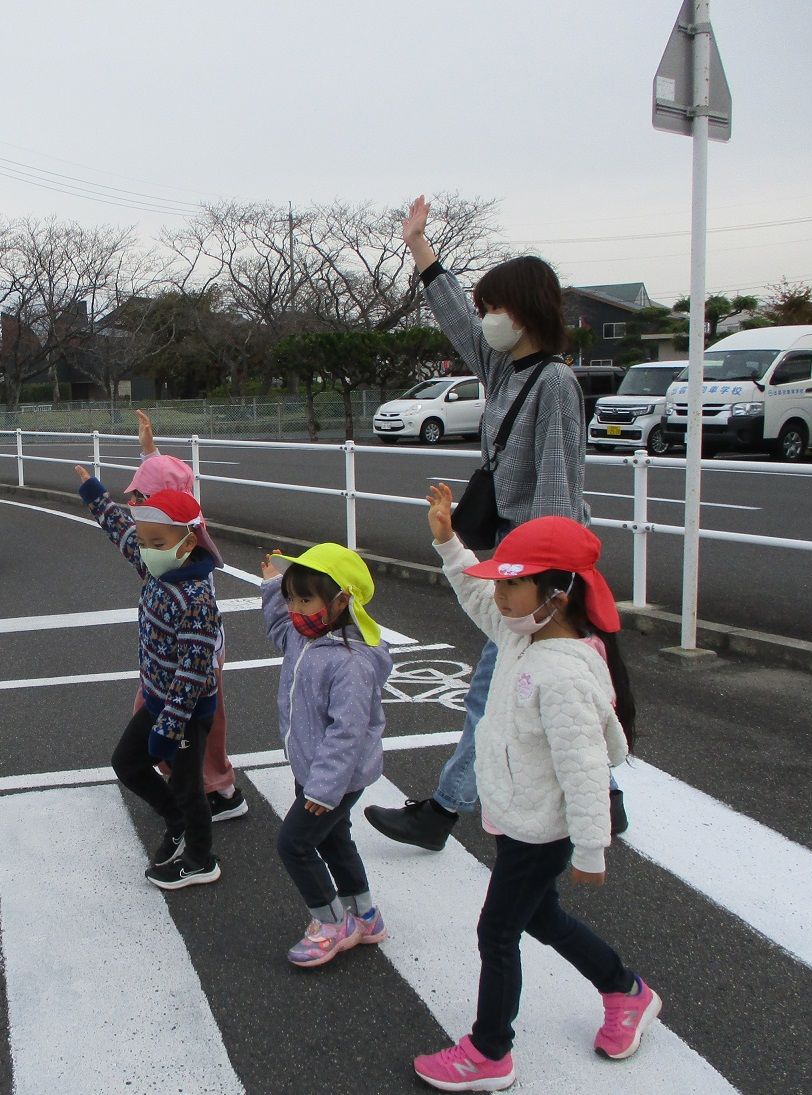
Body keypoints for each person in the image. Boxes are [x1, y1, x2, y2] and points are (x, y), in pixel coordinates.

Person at [365, 193, 628, 853]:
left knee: (491, 696)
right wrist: (419, 246)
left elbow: (561, 495)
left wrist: (542, 587)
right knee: (514, 692)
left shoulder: (556, 386)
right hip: (521, 565)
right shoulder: (504, 370)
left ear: (527, 312)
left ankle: (442, 813)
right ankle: (607, 797)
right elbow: (454, 317)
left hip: (539, 572)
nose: (483, 320)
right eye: (483, 309)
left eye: (494, 309)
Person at [411, 482, 658, 1091]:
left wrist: (591, 848)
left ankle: (489, 1051)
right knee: (539, 918)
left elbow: (584, 767)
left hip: (542, 827)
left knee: (497, 931)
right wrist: (449, 543)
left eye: (511, 583)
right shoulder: (523, 634)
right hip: (520, 815)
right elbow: (476, 595)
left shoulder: (565, 671)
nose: (498, 593)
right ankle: (625, 991)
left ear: (558, 593)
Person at [74, 466, 225, 890]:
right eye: (146, 543)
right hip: (160, 701)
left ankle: (200, 858)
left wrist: (170, 726)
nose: (146, 550)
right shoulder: (157, 568)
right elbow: (124, 531)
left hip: (186, 712)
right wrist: (95, 495)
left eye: (156, 543)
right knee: (127, 762)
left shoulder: (196, 598)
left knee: (188, 784)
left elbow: (193, 672)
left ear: (188, 542)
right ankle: (175, 820)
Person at [260, 544, 391, 967]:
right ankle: (365, 915)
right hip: (316, 768)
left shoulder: (350, 662)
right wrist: (270, 586)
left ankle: (333, 923)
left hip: (334, 776)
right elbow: (281, 630)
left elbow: (347, 733)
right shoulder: (305, 635)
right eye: (292, 598)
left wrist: (323, 788)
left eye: (306, 599)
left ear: (341, 601)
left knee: (294, 844)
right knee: (335, 840)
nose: (296, 610)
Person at [125, 409, 247, 823]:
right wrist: (149, 451)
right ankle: (196, 783)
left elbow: (166, 493)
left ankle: (216, 791)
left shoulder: (183, 542)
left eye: (140, 496)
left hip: (195, 654)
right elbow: (167, 486)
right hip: (174, 652)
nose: (134, 503)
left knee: (195, 723)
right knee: (165, 714)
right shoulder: (168, 526)